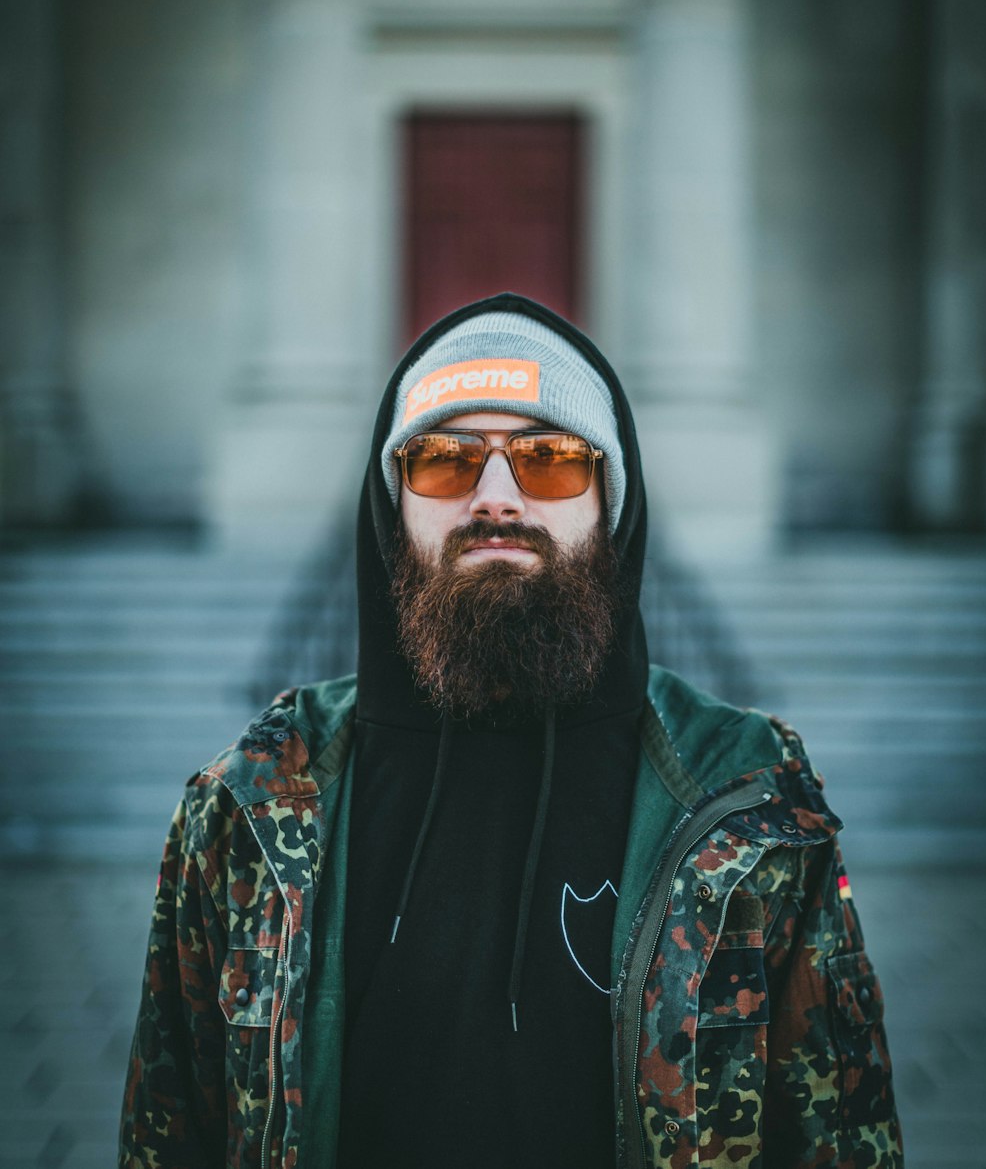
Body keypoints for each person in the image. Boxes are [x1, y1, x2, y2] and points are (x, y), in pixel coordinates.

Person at [119, 293, 903, 1169]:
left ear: (611, 501)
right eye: (445, 461)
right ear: (393, 507)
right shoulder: (252, 806)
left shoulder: (749, 799)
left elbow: (840, 1138)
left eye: (551, 459)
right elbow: (170, 1124)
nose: (496, 498)